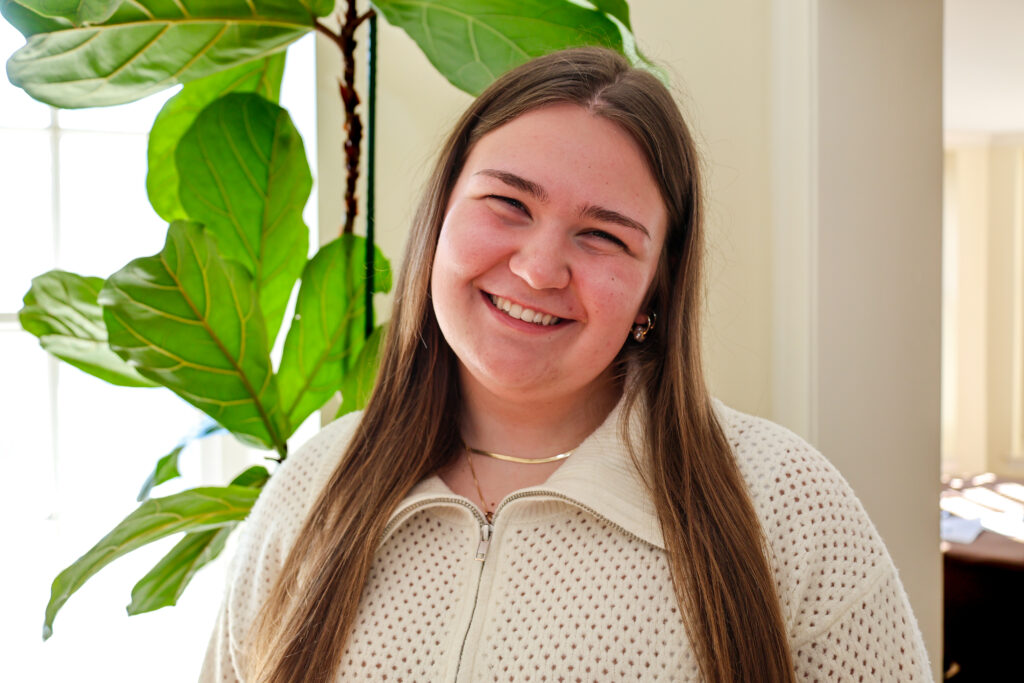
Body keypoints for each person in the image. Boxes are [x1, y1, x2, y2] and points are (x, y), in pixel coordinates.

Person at [200, 47, 931, 682]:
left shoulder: (785, 504)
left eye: (604, 237)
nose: (540, 267)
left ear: (656, 289)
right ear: (440, 217)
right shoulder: (311, 491)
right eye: (507, 204)